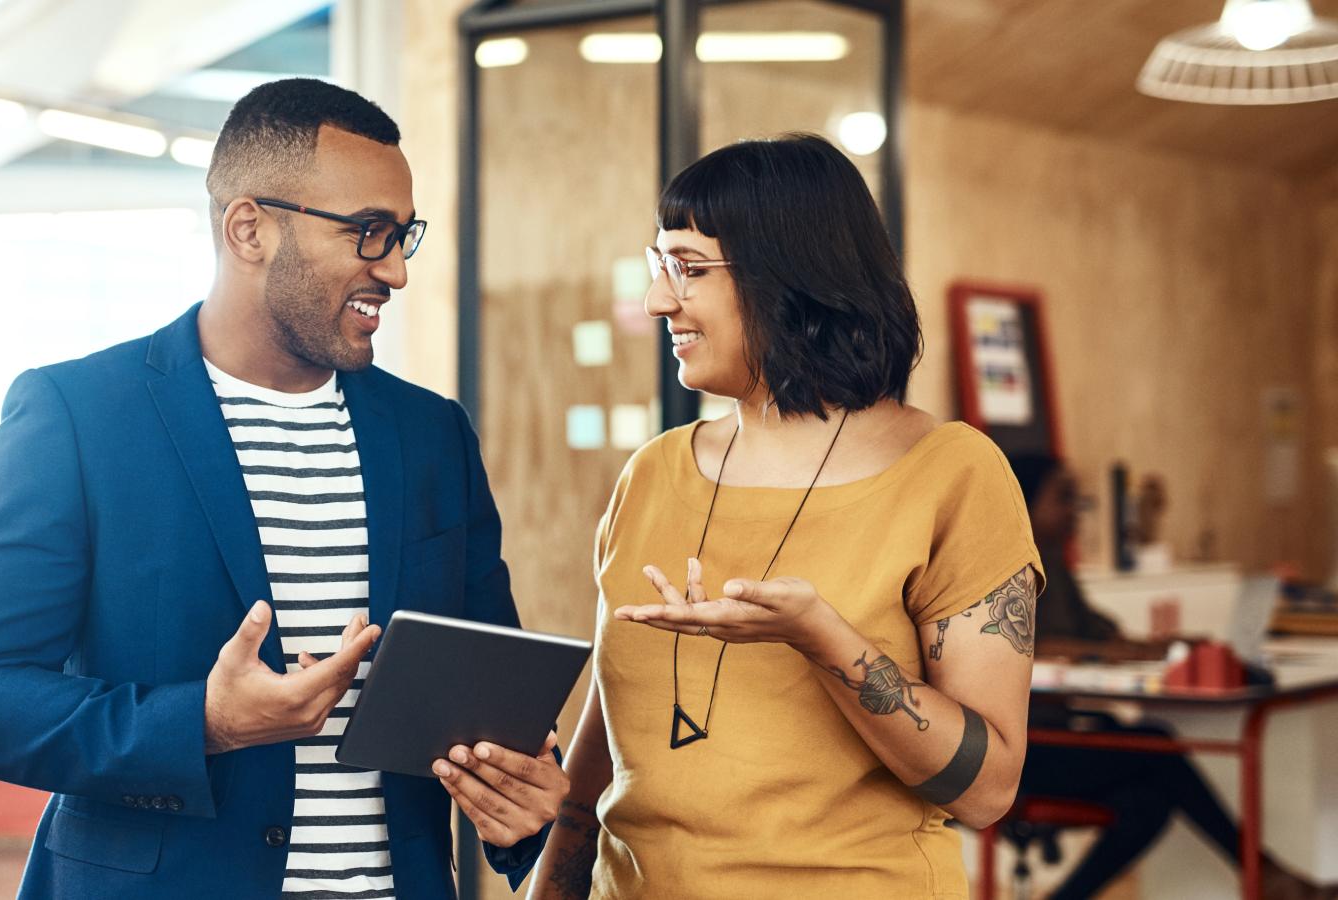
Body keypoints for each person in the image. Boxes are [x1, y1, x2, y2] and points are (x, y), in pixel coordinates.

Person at [0, 79, 565, 900]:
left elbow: (486, 706)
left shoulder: (431, 435)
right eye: (369, 234)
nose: (396, 272)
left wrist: (524, 812)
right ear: (250, 228)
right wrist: (203, 723)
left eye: (404, 237)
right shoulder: (77, 416)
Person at [529, 133, 1045, 900]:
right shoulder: (653, 472)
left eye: (689, 270)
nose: (657, 299)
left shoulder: (953, 473)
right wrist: (553, 888)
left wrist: (821, 639)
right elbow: (606, 741)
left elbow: (987, 789)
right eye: (658, 266)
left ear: (789, 278)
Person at [1009, 453, 1324, 900]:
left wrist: (1166, 645)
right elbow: (1039, 646)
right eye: (1063, 498)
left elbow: (1099, 633)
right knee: (1158, 745)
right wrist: (1133, 650)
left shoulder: (1054, 564)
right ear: (1023, 501)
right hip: (1024, 750)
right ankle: (1264, 872)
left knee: (1147, 802)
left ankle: (1265, 873)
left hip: (1062, 730)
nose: (1074, 510)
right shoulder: (1010, 567)